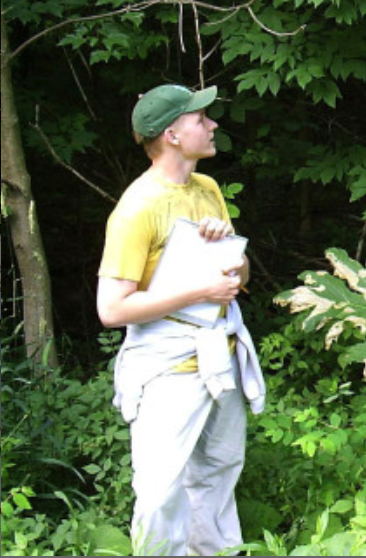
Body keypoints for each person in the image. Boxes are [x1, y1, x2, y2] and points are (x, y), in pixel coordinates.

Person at [96, 83, 265, 557]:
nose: (212, 125)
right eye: (200, 120)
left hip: (219, 357)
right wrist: (200, 290)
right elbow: (111, 310)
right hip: (168, 370)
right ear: (171, 134)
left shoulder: (207, 188)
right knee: (160, 492)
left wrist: (226, 251)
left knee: (218, 473)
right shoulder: (137, 208)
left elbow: (237, 275)